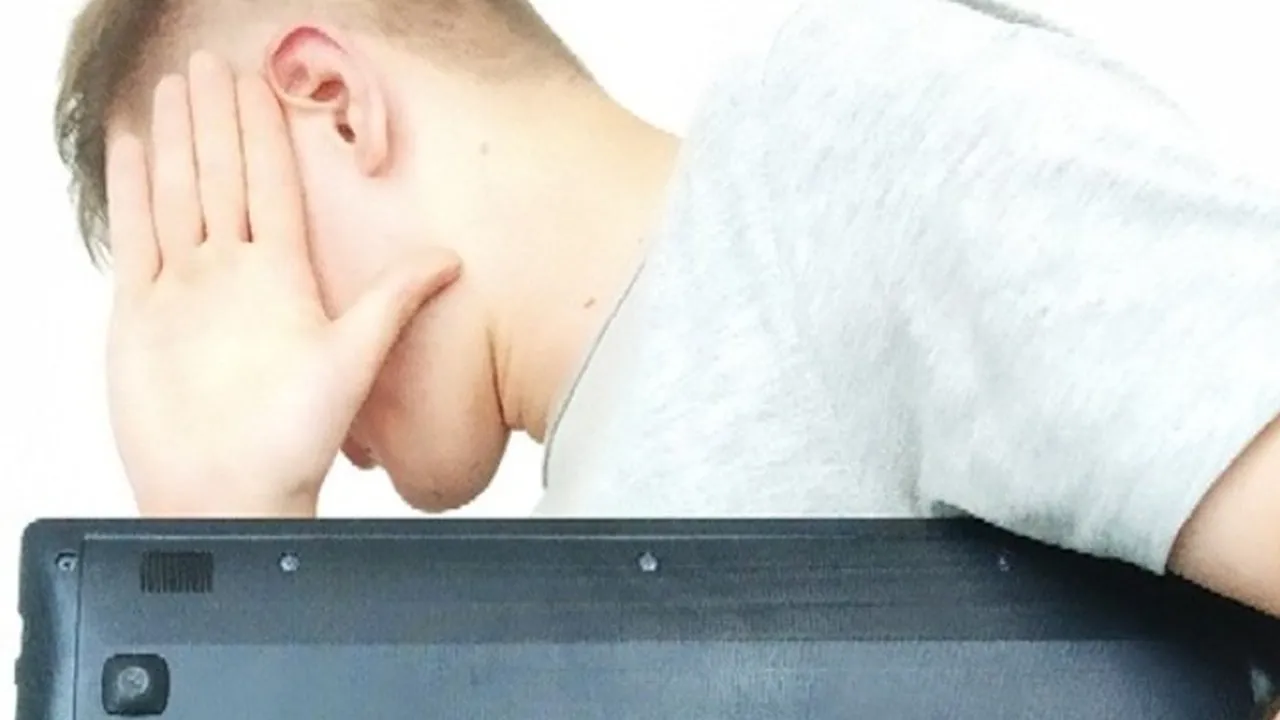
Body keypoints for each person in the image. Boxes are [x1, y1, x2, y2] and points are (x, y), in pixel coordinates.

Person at [53, 0, 1280, 635]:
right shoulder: (550, 598)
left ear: (331, 102)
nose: (221, 366)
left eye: (204, 250)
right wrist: (222, 540)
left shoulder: (832, 154)